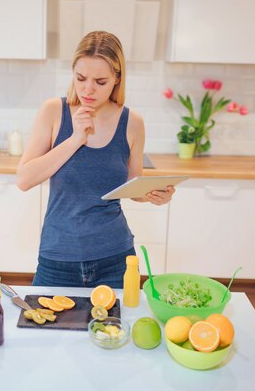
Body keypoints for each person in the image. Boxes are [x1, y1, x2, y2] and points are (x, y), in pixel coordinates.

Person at [16, 31, 174, 288]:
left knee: (116, 329)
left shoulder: (132, 123)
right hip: (58, 257)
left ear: (116, 79)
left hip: (115, 258)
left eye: (100, 81)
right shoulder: (54, 112)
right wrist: (75, 139)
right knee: (42, 326)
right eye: (81, 78)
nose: (88, 89)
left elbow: (134, 185)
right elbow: (23, 179)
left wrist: (153, 195)